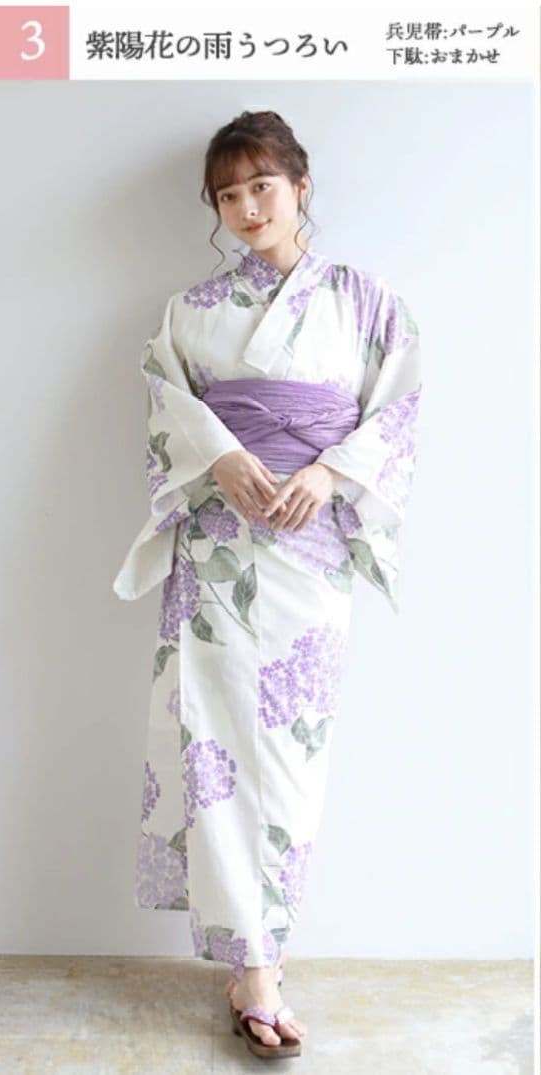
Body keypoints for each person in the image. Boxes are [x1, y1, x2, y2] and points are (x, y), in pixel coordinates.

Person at [112, 109, 422, 1058]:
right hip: (218, 547)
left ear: (300, 186)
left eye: (262, 186)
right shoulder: (190, 310)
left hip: (310, 545)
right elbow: (166, 397)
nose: (247, 207)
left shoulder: (365, 301)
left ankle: (266, 949)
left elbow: (398, 404)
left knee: (292, 752)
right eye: (228, 194)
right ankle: (254, 971)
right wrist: (221, 455)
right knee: (213, 747)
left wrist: (327, 473)